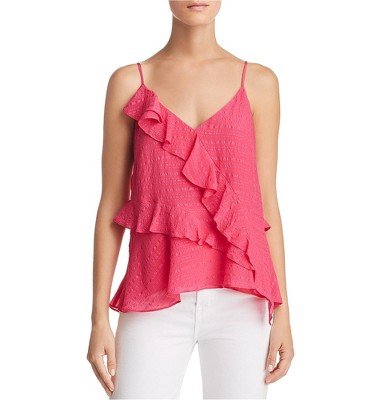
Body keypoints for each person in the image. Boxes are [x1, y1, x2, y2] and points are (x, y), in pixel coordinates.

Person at [87, 1, 294, 398]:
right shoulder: (130, 82)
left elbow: (266, 205)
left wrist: (282, 310)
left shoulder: (259, 83)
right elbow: (111, 205)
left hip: (242, 300)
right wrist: (99, 319)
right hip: (152, 296)